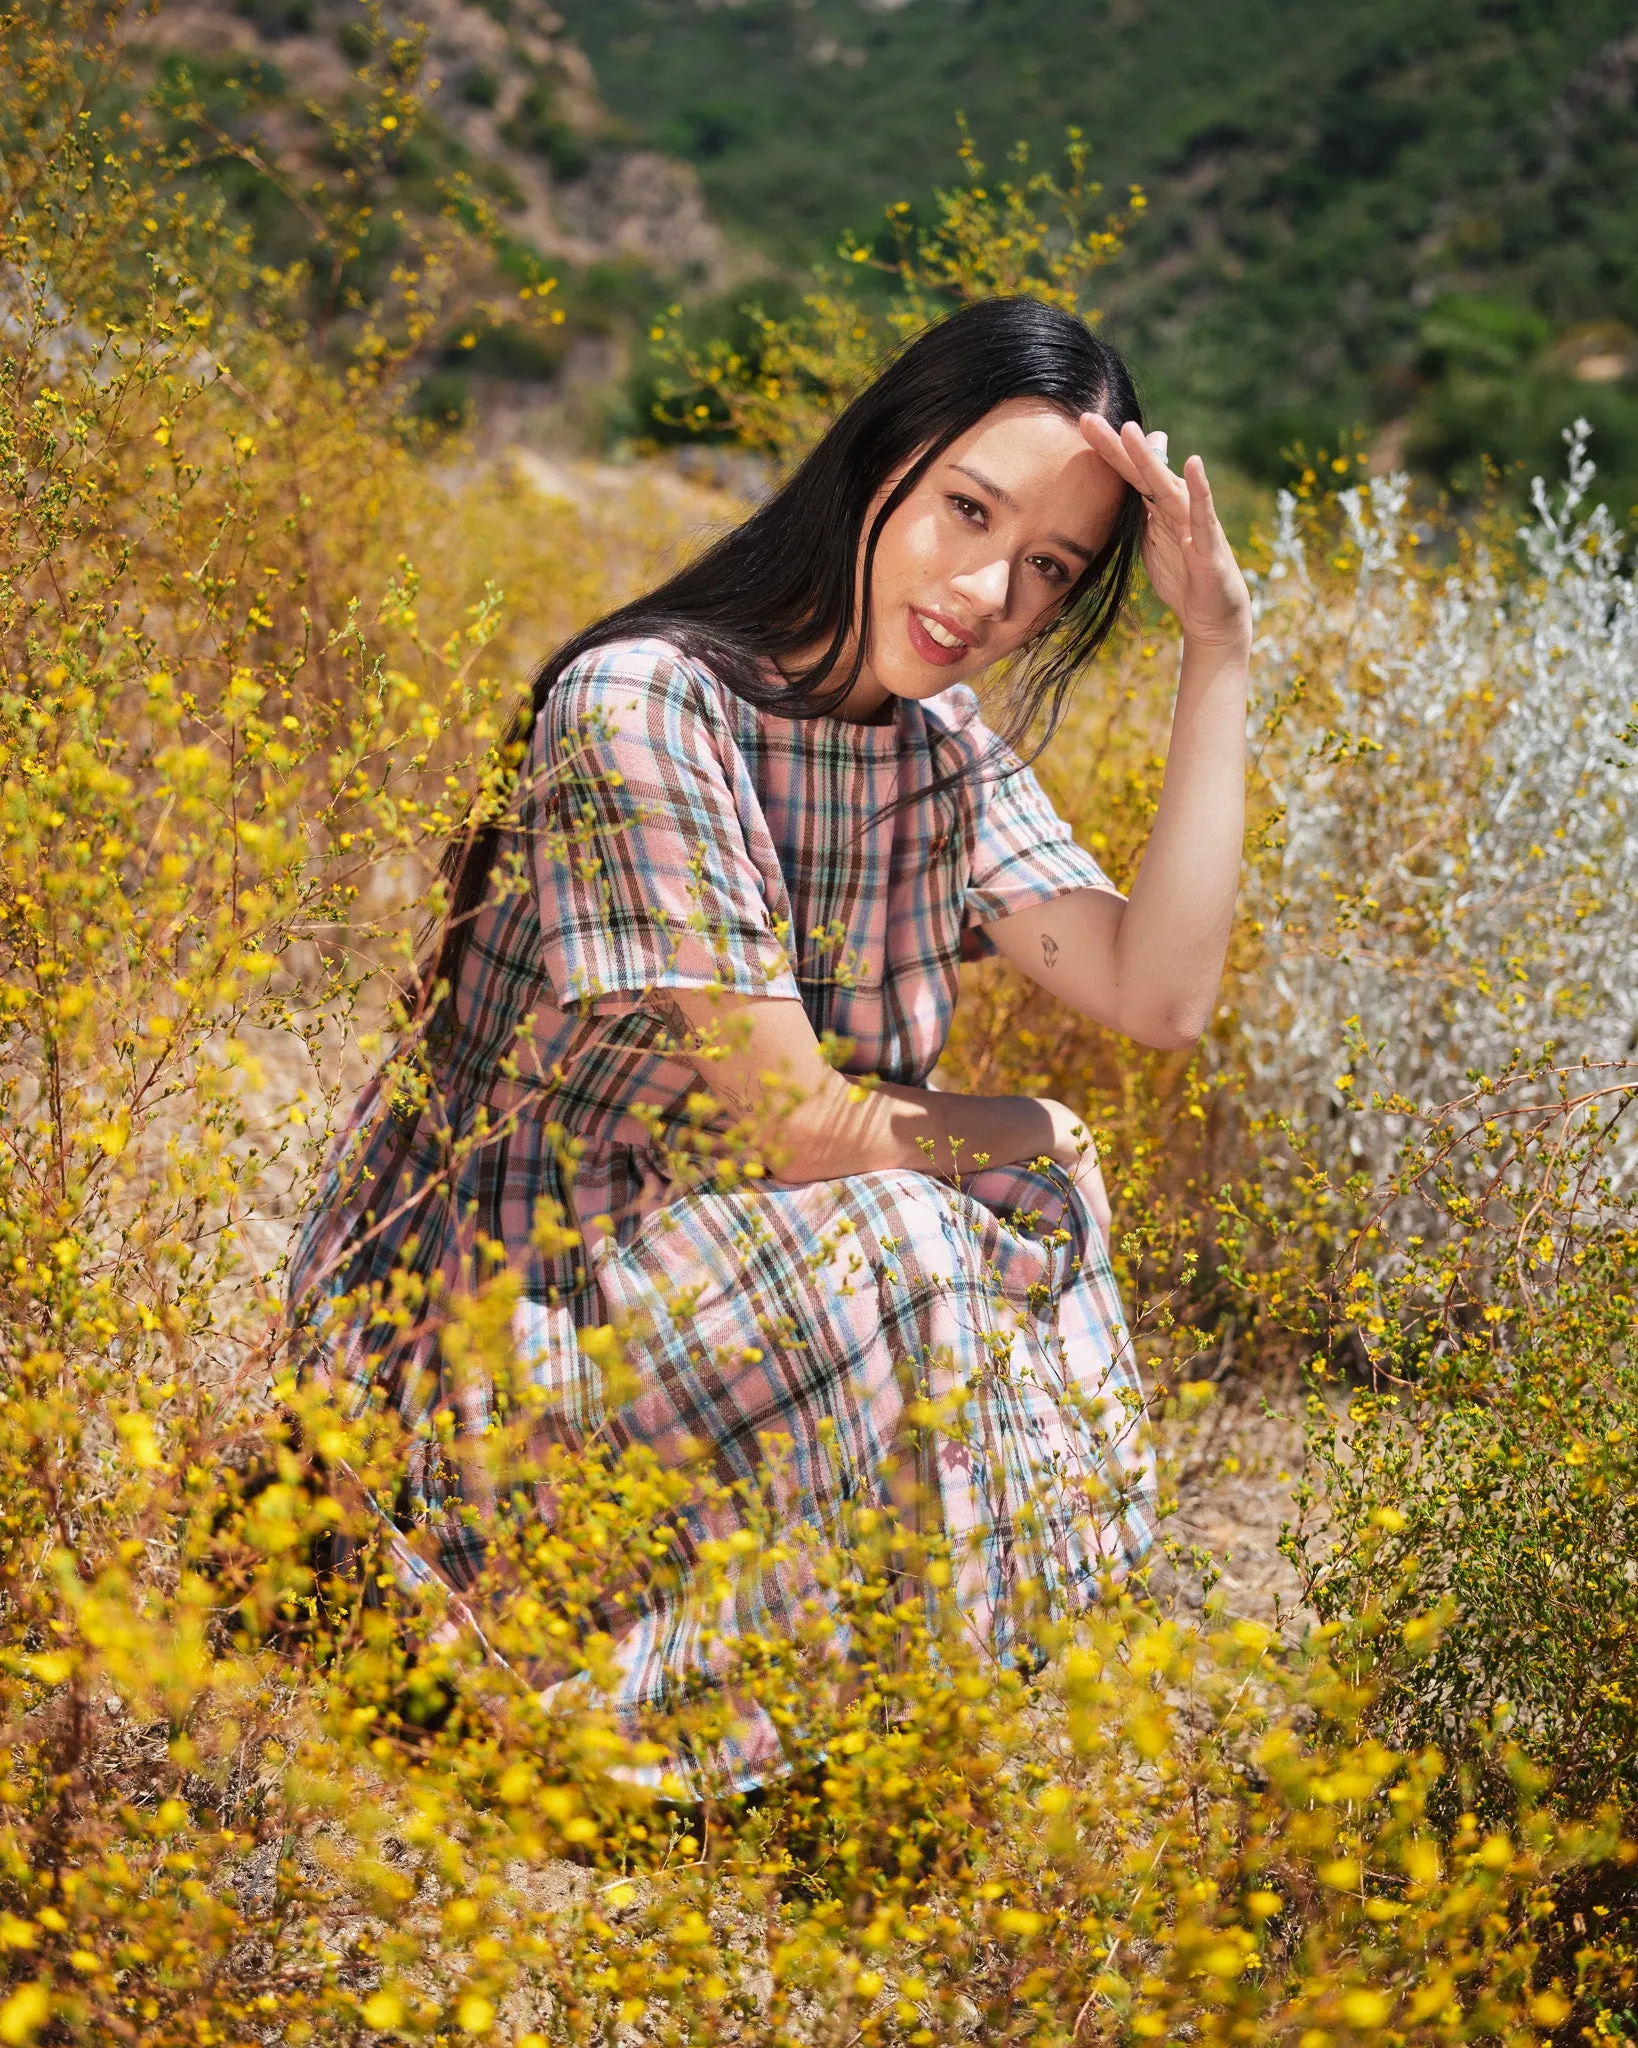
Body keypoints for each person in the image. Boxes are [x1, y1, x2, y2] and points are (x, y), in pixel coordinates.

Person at [286, 295, 1251, 1781]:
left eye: (1048, 567)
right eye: (966, 510)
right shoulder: (646, 706)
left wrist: (1217, 652)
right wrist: (1030, 1131)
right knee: (926, 1234)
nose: (990, 589)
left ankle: (893, 1707)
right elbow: (798, 1127)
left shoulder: (937, 750)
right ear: (878, 464)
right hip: (505, 1307)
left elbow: (1158, 994)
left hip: (718, 1262)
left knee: (956, 1217)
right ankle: (656, 1702)